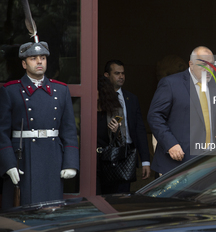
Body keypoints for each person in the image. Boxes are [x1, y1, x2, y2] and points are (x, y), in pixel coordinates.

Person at [0, 41, 79, 210]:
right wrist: (8, 163)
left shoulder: (61, 90)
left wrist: (70, 163)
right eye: (33, 58)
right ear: (24, 63)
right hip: (23, 159)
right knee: (23, 216)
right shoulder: (10, 90)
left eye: (43, 58)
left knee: (50, 213)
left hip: (52, 158)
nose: (39, 62)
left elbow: (69, 130)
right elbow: (2, 132)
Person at [148, 46, 216, 175]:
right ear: (191, 64)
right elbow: (155, 116)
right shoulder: (171, 83)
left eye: (212, 64)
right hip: (178, 161)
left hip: (212, 161)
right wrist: (171, 144)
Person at [104, 60, 151, 192]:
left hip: (127, 153)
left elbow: (140, 130)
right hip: (107, 154)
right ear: (107, 75)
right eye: (117, 73)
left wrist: (145, 161)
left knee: (123, 195)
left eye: (123, 73)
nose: (121, 77)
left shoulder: (131, 98)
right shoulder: (99, 97)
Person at [96, 76, 124, 194]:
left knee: (108, 195)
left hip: (108, 159)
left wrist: (116, 131)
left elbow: (123, 140)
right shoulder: (84, 107)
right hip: (89, 158)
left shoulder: (115, 110)